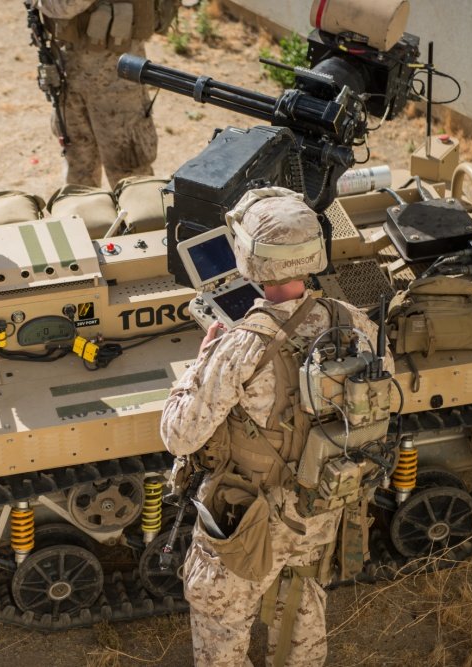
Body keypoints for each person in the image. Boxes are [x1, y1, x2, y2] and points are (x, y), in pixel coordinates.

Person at [160, 188, 395, 667]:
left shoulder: (243, 345)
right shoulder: (354, 324)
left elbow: (179, 434)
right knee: (300, 606)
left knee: (221, 623)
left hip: (246, 517)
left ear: (248, 257)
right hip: (319, 505)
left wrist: (201, 360)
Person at [35, 1, 179, 188]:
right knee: (79, 163)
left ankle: (138, 216)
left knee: (128, 167)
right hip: (69, 69)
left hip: (115, 75)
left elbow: (65, 6)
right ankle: (85, 216)